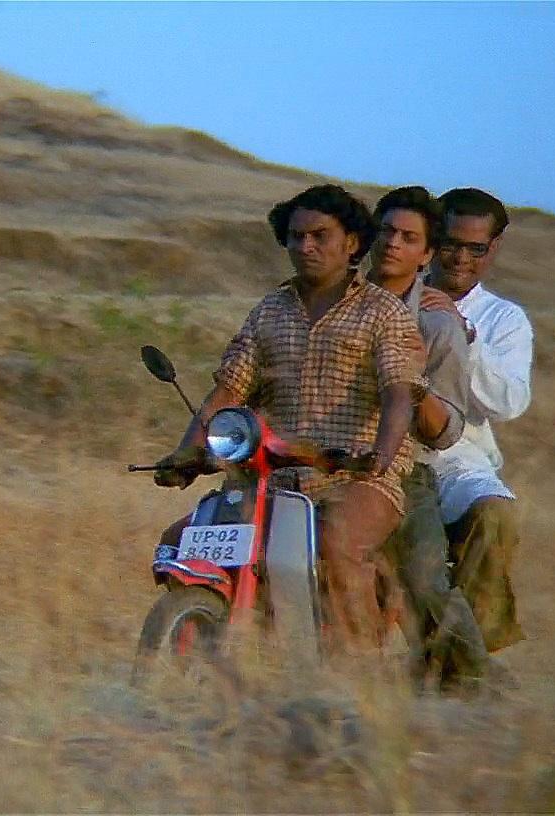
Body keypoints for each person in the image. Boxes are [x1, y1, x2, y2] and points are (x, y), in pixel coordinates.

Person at [155, 184, 425, 651]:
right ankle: (209, 647)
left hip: (355, 476)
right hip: (270, 476)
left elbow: (399, 391)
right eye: (296, 237)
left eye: (320, 236)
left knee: (337, 544)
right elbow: (228, 389)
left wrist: (380, 456)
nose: (305, 246)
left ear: (352, 243)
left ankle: (355, 671)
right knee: (181, 539)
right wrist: (186, 453)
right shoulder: (269, 311)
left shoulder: (384, 312)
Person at [364, 186, 491, 688]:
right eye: (386, 231)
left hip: (400, 468)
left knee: (423, 578)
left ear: (427, 254)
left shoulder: (437, 324)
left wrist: (412, 382)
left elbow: (446, 432)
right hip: (318, 458)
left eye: (408, 237)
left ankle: (474, 681)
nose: (393, 243)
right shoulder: (334, 300)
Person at [425, 187, 535, 656]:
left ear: (495, 247)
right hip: (382, 450)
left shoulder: (503, 319)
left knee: (494, 516)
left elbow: (508, 403)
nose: (460, 259)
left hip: (457, 458)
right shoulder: (392, 295)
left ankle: (477, 658)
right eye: (451, 244)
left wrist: (463, 334)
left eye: (476, 248)